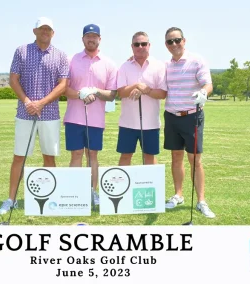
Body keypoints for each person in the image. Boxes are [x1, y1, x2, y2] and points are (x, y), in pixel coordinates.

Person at [0, 17, 69, 215]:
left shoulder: (60, 55)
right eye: (41, 28)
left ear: (53, 33)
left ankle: (50, 197)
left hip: (50, 113)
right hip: (25, 112)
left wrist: (42, 103)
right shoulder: (21, 51)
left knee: (49, 157)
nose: (45, 31)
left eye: (49, 29)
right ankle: (11, 199)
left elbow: (63, 85)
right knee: (19, 156)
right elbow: (13, 79)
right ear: (34, 31)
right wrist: (28, 102)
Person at [163, 27, 215, 218]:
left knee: (195, 159)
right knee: (176, 157)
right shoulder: (166, 65)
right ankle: (178, 195)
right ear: (166, 45)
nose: (174, 44)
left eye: (177, 40)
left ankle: (201, 201)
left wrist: (203, 93)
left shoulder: (196, 60)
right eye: (170, 41)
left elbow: (207, 84)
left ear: (184, 41)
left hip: (192, 115)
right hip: (171, 116)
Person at [63, 24, 117, 205]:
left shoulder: (108, 63)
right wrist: (80, 94)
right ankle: (75, 193)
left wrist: (96, 91)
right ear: (83, 39)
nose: (91, 39)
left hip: (96, 119)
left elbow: (112, 94)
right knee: (76, 154)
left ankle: (93, 192)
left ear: (99, 39)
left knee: (92, 154)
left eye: (94, 36)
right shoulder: (71, 60)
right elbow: (64, 88)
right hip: (73, 117)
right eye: (88, 36)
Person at [116, 31, 167, 166]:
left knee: (149, 157)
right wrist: (137, 86)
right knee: (125, 156)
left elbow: (162, 94)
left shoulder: (159, 66)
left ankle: (152, 187)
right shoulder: (124, 66)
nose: (140, 47)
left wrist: (147, 90)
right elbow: (121, 93)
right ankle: (122, 187)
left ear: (149, 45)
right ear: (132, 46)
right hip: (128, 123)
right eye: (136, 44)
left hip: (151, 123)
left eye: (143, 44)